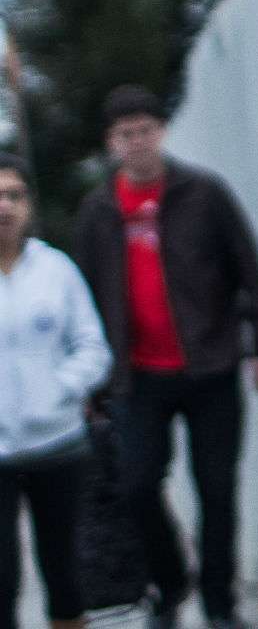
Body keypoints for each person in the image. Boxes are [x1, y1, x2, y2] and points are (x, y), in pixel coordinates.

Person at [72, 86, 258, 629]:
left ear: (161, 133)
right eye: (126, 134)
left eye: (145, 130)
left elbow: (248, 267)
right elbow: (86, 299)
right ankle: (169, 586)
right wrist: (93, 380)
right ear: (111, 144)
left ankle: (220, 606)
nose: (137, 142)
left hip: (210, 364)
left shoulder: (204, 193)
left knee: (217, 488)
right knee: (139, 484)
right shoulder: (97, 213)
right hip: (136, 376)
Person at [0, 152, 112, 629]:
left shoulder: (56, 270)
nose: (3, 206)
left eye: (13, 195)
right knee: (1, 577)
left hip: (58, 444)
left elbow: (93, 347)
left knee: (64, 572)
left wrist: (59, 388)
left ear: (28, 203)